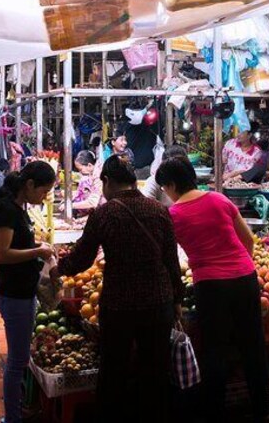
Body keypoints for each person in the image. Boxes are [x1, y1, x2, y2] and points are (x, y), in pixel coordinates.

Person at [58, 155, 183, 422]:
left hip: (119, 305)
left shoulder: (105, 213)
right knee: (155, 370)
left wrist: (58, 269)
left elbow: (81, 259)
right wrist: (177, 299)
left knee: (114, 369)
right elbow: (171, 260)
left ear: (107, 181)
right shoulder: (158, 210)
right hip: (158, 301)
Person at [156, 157, 269, 423]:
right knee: (253, 346)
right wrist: (242, 268)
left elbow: (169, 260)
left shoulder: (172, 215)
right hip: (244, 277)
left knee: (214, 352)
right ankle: (262, 411)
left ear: (172, 185)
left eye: (165, 188)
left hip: (209, 285)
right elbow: (249, 240)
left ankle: (214, 414)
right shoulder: (219, 199)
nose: (166, 194)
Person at [0, 161, 57, 423]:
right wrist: (38, 251)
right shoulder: (9, 212)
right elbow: (1, 255)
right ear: (29, 185)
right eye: (43, 191)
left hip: (20, 293)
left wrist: (38, 245)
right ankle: (12, 419)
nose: (45, 197)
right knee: (16, 364)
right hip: (15, 296)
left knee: (18, 360)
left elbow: (17, 244)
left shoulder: (18, 209)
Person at [70, 150, 102, 215]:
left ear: (89, 165)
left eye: (80, 169)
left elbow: (93, 202)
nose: (80, 172)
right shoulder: (93, 173)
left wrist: (71, 205)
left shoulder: (98, 175)